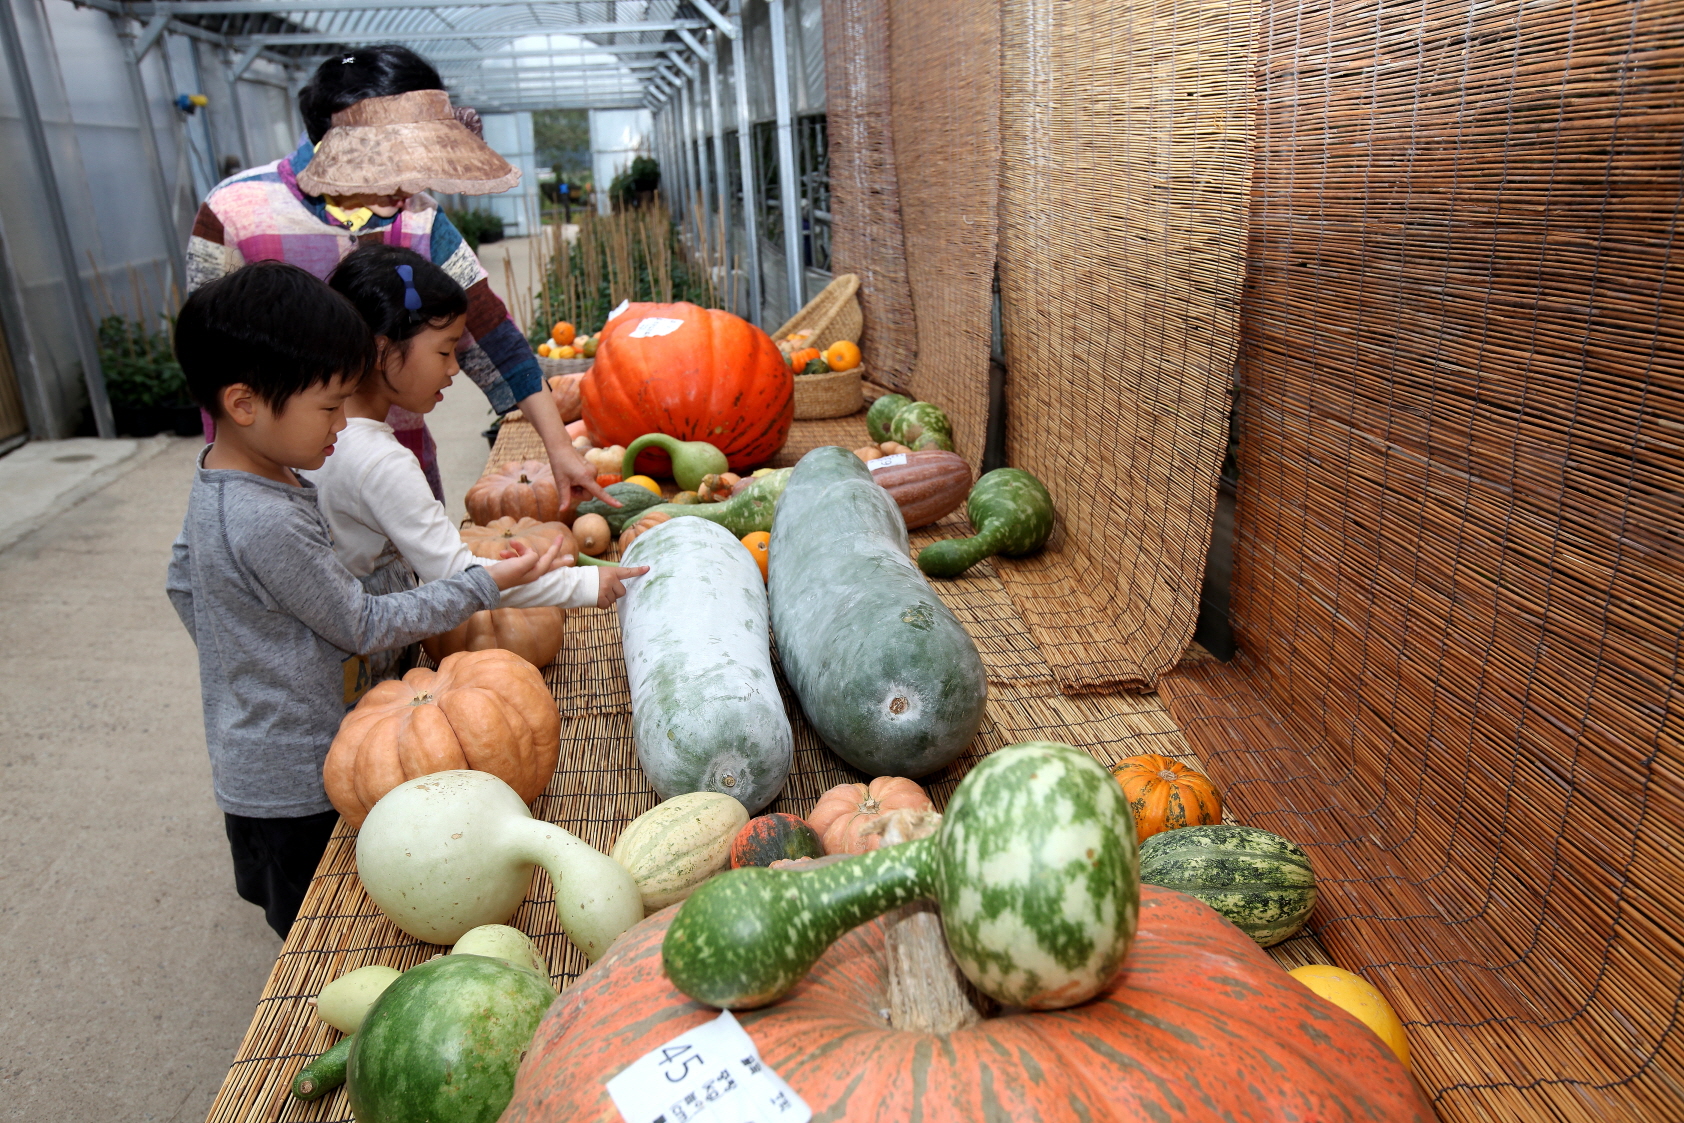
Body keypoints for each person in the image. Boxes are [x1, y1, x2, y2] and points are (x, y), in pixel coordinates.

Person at [164, 261, 573, 938]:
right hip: (295, 783)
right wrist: (479, 584)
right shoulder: (265, 517)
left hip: (282, 756)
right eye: (328, 407)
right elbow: (361, 624)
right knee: (323, 930)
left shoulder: (228, 480)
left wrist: (248, 657)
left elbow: (182, 580)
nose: (341, 424)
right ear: (244, 404)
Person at [184, 44, 611, 515]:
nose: (409, 181)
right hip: (278, 490)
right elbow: (211, 368)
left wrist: (560, 448)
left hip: (395, 472)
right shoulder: (234, 212)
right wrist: (234, 489)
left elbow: (491, 333)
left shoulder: (421, 220)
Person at [303, 242, 646, 685]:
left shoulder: (318, 437)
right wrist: (584, 586)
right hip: (353, 673)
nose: (453, 370)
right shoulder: (380, 463)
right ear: (383, 350)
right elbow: (459, 579)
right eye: (445, 351)